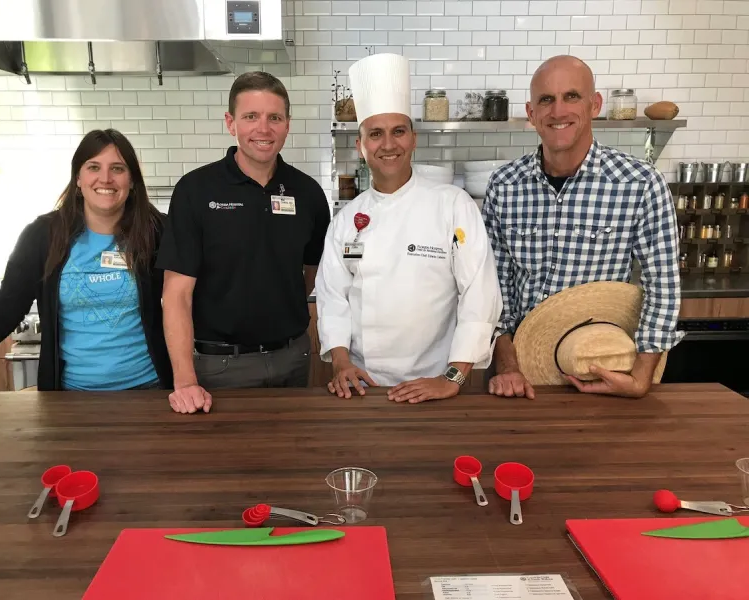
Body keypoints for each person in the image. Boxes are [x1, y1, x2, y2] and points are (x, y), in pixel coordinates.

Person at [482, 55, 682, 400]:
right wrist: (508, 366)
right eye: (546, 100)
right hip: (521, 372)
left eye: (571, 96)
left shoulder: (639, 183)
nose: (558, 111)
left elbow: (663, 284)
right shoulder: (504, 185)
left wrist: (641, 378)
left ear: (594, 104)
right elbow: (494, 286)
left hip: (603, 366)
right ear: (532, 113)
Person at [315, 53, 503, 404]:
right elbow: (332, 296)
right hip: (362, 387)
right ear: (360, 146)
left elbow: (480, 292)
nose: (388, 144)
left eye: (398, 131)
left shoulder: (453, 205)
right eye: (375, 134)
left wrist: (453, 377)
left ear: (413, 139)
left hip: (435, 385)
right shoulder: (346, 220)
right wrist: (340, 363)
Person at [158, 71, 331, 414]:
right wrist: (185, 380)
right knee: (223, 464)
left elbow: (312, 273)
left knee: (292, 458)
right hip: (219, 367)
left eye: (274, 118)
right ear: (230, 122)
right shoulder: (196, 191)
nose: (263, 129)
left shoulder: (308, 193)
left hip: (293, 358)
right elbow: (176, 294)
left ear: (287, 125)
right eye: (251, 116)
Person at [0, 129, 172, 391]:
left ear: (132, 180)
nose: (105, 178)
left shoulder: (158, 232)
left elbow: (188, 299)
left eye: (118, 168)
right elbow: (4, 311)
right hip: (68, 397)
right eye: (93, 167)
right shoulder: (43, 235)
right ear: (78, 177)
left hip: (150, 391)